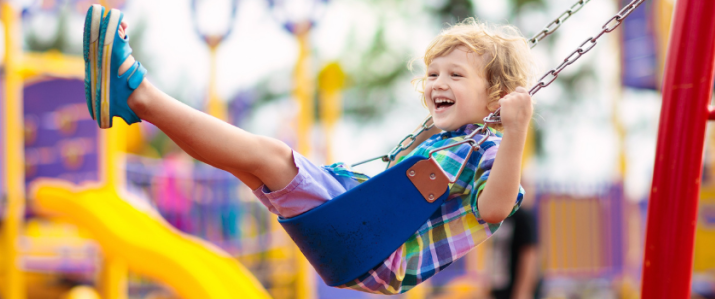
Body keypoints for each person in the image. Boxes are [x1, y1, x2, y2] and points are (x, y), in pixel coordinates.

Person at [81, 5, 535, 294]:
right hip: (359, 233)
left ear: (497, 97)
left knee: (269, 156)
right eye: (433, 73)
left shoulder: (491, 150)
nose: (438, 82)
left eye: (456, 75)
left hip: (375, 249)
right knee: (247, 162)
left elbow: (495, 208)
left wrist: (515, 132)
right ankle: (132, 102)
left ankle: (138, 93)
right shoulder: (444, 143)